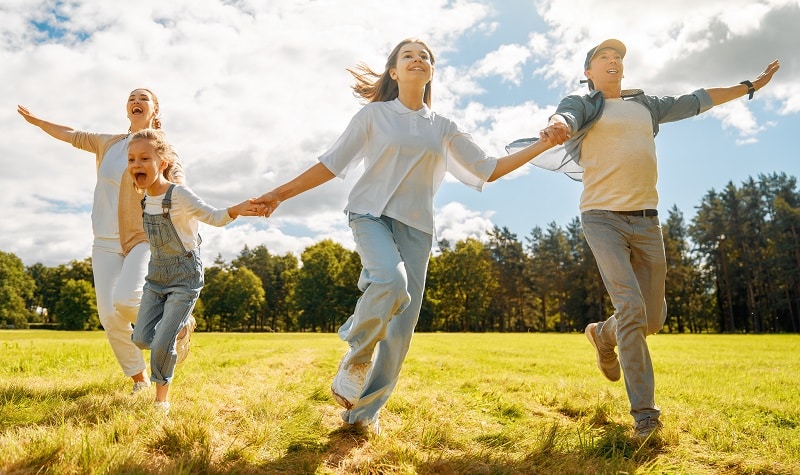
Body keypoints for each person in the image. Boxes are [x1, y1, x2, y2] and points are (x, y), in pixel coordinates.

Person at [252, 38, 555, 435]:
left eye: (424, 56)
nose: (417, 59)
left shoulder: (443, 127)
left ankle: (363, 414)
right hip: (371, 215)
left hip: (418, 229)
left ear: (430, 72)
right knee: (392, 283)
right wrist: (278, 194)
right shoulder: (373, 116)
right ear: (394, 72)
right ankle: (356, 356)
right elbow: (330, 164)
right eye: (407, 55)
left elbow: (489, 168)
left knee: (400, 332)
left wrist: (543, 143)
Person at [510, 39, 780, 440]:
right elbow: (566, 113)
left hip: (647, 221)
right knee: (632, 307)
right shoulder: (586, 103)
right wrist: (559, 125)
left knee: (653, 317)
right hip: (602, 219)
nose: (614, 61)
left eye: (618, 57)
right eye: (604, 57)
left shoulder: (646, 106)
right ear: (589, 72)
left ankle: (603, 334)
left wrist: (750, 85)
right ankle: (646, 417)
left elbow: (697, 99)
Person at [17, 89, 193, 394]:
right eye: (131, 98)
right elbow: (71, 134)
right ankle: (139, 381)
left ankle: (177, 324)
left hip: (142, 236)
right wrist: (38, 122)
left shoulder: (164, 148)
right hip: (104, 239)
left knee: (125, 301)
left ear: (155, 109)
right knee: (109, 315)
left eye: (143, 98)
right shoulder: (109, 143)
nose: (136, 101)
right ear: (127, 109)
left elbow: (177, 183)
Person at [127, 128, 263, 414]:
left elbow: (213, 217)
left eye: (144, 158)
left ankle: (161, 401)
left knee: (162, 342)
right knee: (140, 338)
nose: (137, 165)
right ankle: (183, 328)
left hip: (185, 276)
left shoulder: (180, 195)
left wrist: (236, 209)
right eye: (132, 159)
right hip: (156, 276)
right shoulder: (144, 200)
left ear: (162, 163)